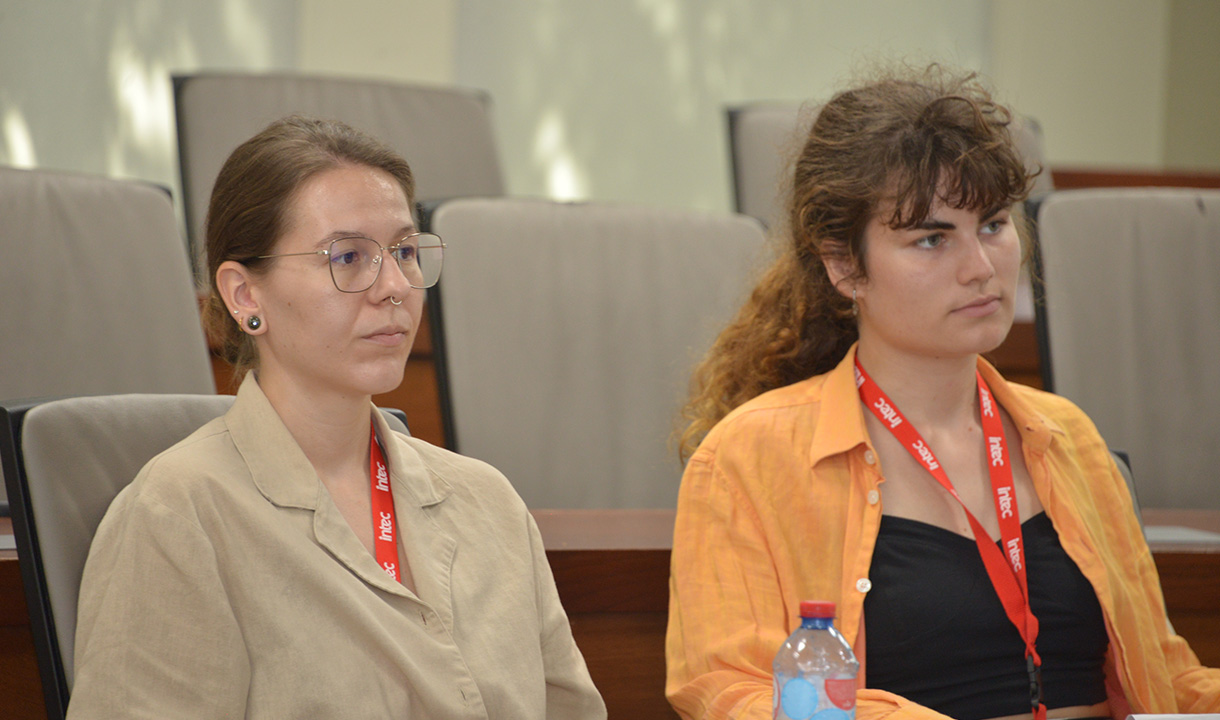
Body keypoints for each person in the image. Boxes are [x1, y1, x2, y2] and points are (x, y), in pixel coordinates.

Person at [666, 65, 1220, 720]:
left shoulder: (1068, 436)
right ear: (845, 266)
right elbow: (730, 690)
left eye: (993, 224)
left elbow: (1166, 675)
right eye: (932, 238)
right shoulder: (748, 458)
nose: (981, 268)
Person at [69, 116, 606, 719]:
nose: (395, 286)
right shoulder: (179, 513)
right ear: (245, 295)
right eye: (348, 256)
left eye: (405, 252)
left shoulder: (489, 501)